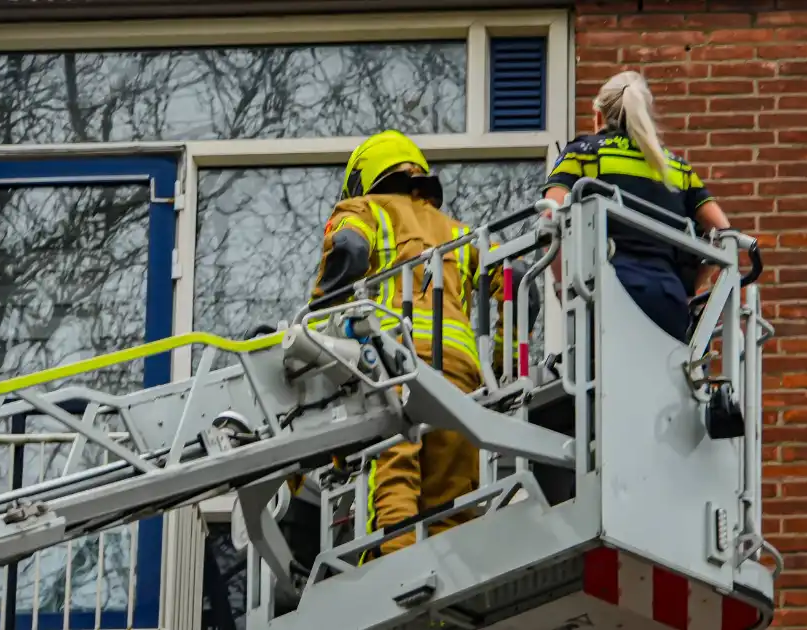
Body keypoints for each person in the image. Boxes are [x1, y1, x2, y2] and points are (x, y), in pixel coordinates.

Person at [309, 130, 540, 558]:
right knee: (452, 498)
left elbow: (348, 248)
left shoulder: (363, 209)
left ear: (365, 179)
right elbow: (519, 281)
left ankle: (394, 573)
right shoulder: (462, 232)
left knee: (395, 471)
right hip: (461, 377)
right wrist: (504, 363)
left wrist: (317, 330)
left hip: (392, 363)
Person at [541, 70, 732, 341]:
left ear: (598, 116)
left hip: (609, 298)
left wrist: (565, 291)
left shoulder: (585, 152)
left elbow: (551, 214)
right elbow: (724, 234)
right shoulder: (676, 168)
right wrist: (690, 286)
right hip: (669, 303)